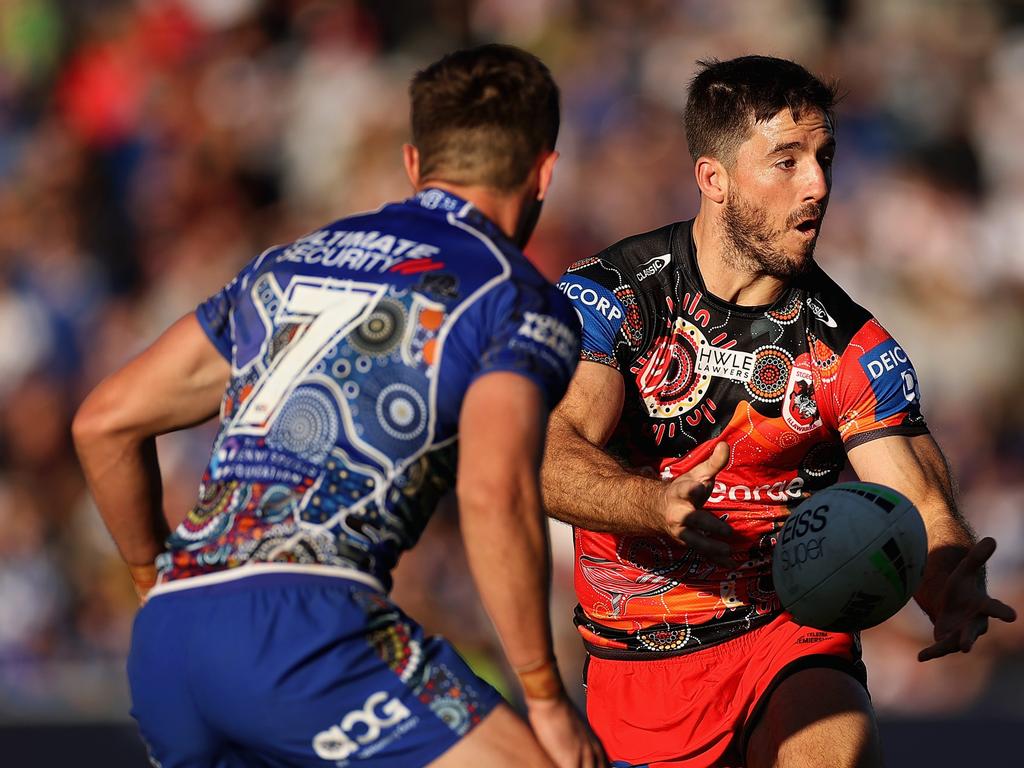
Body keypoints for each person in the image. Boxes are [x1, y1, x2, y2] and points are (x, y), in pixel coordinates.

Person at [73, 44, 605, 768]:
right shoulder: (515, 300)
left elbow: (103, 422)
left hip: (169, 646)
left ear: (415, 164)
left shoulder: (284, 266)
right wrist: (544, 697)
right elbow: (494, 490)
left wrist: (153, 581)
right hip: (307, 627)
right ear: (546, 169)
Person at [542, 55, 1016, 768]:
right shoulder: (614, 297)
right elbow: (546, 454)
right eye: (787, 162)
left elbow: (917, 501)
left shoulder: (852, 348)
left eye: (824, 158)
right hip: (634, 671)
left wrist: (947, 578)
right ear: (715, 178)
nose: (819, 185)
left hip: (787, 641)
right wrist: (650, 504)